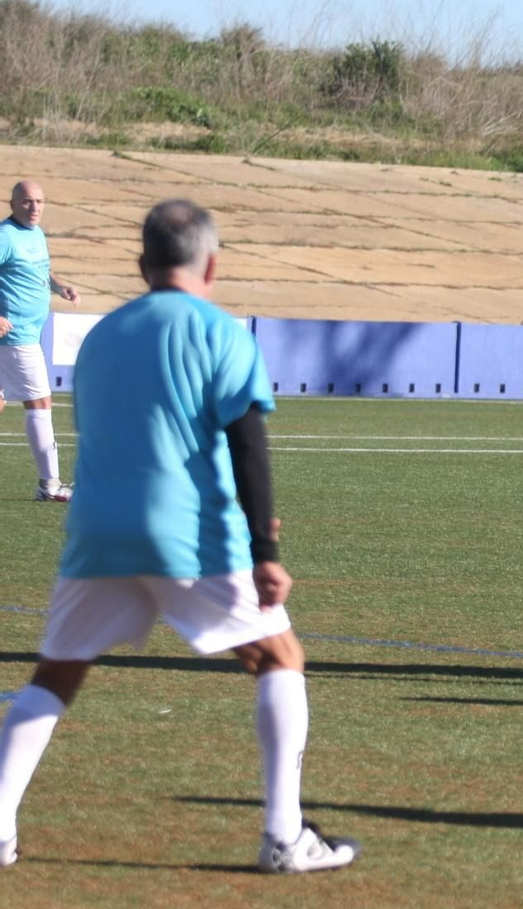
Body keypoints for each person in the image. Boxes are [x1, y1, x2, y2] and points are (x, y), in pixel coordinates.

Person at [0, 200, 359, 873]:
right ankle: (285, 836)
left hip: (97, 535)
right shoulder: (222, 333)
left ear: (142, 267)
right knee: (280, 657)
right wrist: (267, 554)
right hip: (191, 536)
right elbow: (249, 445)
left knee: (56, 673)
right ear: (212, 264)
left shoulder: (102, 335)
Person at [0, 180, 78, 501]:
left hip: (27, 333)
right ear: (13, 203)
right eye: (27, 202)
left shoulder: (36, 233)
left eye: (40, 202)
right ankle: (50, 485)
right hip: (15, 336)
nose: (34, 208)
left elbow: (40, 270)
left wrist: (59, 287)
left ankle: (49, 485)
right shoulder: (5, 236)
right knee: (41, 403)